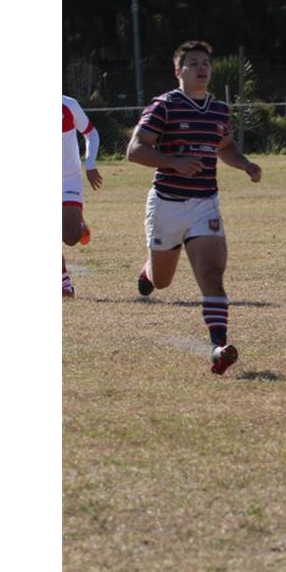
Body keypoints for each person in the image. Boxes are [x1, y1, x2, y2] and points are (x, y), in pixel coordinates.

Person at [128, 41, 263, 375]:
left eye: (206, 62)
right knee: (162, 281)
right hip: (167, 205)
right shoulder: (165, 106)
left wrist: (245, 164)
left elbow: (225, 145)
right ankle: (148, 270)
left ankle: (219, 347)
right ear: (178, 71)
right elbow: (135, 150)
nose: (202, 68)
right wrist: (173, 161)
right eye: (192, 63)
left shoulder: (218, 110)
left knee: (212, 276)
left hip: (205, 204)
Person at [62, 95, 103, 298]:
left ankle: (78, 223)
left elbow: (91, 133)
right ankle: (63, 283)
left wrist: (91, 163)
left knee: (70, 237)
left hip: (68, 180)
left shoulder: (68, 105)